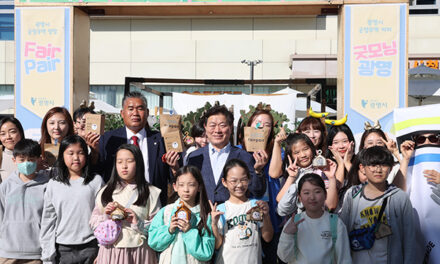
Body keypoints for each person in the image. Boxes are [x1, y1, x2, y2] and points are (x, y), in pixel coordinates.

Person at [339, 146, 415, 264]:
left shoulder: (399, 197)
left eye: (384, 165)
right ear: (362, 168)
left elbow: (410, 238)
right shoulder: (352, 195)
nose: (378, 170)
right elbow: (342, 232)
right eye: (373, 165)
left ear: (390, 168)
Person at [97, 91, 174, 205]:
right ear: (122, 113)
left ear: (147, 112)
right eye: (131, 108)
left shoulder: (161, 140)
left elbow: (174, 176)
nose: (135, 113)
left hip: (152, 205)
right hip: (117, 205)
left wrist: (175, 167)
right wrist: (93, 151)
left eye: (140, 108)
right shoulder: (109, 139)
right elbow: (98, 172)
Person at [90, 144, 161, 264]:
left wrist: (137, 222)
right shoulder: (106, 191)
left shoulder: (151, 192)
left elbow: (158, 226)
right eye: (119, 162)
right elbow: (93, 221)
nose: (124, 166)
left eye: (129, 161)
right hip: (111, 250)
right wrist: (106, 217)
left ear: (139, 164)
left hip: (139, 251)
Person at [40, 135, 104, 264]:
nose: (76, 158)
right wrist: (47, 255)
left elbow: (103, 217)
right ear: (62, 156)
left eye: (80, 153)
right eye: (70, 153)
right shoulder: (53, 184)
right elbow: (48, 220)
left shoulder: (96, 181)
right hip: (63, 249)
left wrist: (102, 249)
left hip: (90, 246)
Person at [186, 105, 265, 204]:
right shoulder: (194, 157)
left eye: (222, 125)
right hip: (202, 215)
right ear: (205, 127)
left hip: (232, 216)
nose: (217, 130)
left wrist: (258, 171)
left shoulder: (244, 157)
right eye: (212, 125)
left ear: (231, 127)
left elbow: (257, 191)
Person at [237, 108, 282, 264]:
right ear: (249, 126)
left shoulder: (277, 151)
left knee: (270, 251)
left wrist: (276, 144)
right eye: (258, 123)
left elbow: (275, 173)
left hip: (270, 212)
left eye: (267, 124)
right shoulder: (239, 152)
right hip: (244, 212)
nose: (262, 127)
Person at [277, 173, 352, 264]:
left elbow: (344, 259)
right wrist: (287, 235)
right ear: (299, 197)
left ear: (325, 194)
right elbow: (284, 257)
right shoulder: (294, 222)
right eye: (306, 193)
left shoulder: (336, 223)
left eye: (317, 192)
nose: (312, 197)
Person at [148, 166, 215, 263]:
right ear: (175, 187)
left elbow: (206, 253)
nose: (186, 189)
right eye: (181, 185)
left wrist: (189, 232)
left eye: (191, 185)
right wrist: (169, 230)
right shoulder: (166, 212)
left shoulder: (204, 215)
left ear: (199, 187)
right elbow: (153, 243)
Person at [212, 159, 273, 264]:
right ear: (224, 182)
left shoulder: (255, 205)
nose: (239, 185)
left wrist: (266, 216)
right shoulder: (221, 210)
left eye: (243, 179)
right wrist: (213, 224)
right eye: (233, 181)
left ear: (249, 180)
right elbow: (217, 245)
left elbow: (267, 238)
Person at [0, 139, 49, 264]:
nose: (27, 163)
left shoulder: (47, 186)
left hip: (36, 253)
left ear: (39, 159)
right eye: (22, 160)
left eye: (31, 159)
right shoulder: (6, 186)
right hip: (7, 252)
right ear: (14, 160)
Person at [276, 133, 339, 216]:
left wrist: (331, 178)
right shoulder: (291, 174)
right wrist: (291, 177)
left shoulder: (322, 170)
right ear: (290, 156)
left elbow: (331, 206)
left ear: (312, 148)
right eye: (296, 152)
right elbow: (280, 200)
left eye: (305, 149)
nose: (303, 155)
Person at [0, 117, 25, 182]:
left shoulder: (32, 156)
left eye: (12, 132)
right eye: (3, 134)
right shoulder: (1, 157)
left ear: (21, 133)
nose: (8, 137)